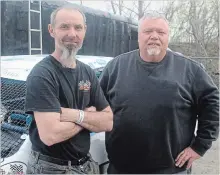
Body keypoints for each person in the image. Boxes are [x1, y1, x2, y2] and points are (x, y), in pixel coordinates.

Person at [99, 11, 219, 174]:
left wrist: (199, 146)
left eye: (160, 32)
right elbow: (96, 105)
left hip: (171, 169)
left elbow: (212, 105)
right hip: (122, 169)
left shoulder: (190, 70)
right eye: (148, 31)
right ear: (139, 36)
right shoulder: (115, 67)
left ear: (168, 36)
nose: (154, 36)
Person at [25, 6, 113, 174]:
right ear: (51, 30)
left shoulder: (87, 72)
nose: (72, 34)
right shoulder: (42, 74)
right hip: (50, 169)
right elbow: (50, 135)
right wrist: (88, 118)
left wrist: (74, 115)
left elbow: (108, 122)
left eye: (78, 27)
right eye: (64, 26)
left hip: (86, 165)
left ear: (84, 31)